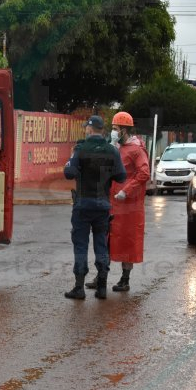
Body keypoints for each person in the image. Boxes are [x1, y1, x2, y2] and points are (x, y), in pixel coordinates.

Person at [63, 115, 126, 300]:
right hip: (103, 206)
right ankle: (102, 288)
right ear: (103, 131)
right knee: (101, 245)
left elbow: (69, 173)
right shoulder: (112, 151)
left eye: (86, 129)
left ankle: (79, 288)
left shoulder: (80, 149)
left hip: (83, 205)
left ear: (90, 130)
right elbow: (121, 176)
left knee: (81, 245)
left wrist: (74, 159)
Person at [91, 111, 150, 292]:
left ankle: (125, 279)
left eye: (116, 129)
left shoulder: (136, 149)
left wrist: (126, 190)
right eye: (113, 128)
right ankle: (101, 276)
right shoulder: (115, 147)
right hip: (111, 202)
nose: (113, 131)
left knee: (127, 241)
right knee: (106, 239)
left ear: (124, 130)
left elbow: (144, 173)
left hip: (128, 205)